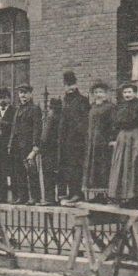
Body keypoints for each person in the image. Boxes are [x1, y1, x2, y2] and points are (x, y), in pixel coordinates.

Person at [107, 82, 138, 207]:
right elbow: (114, 123)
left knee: (132, 164)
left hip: (133, 136)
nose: (127, 95)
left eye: (129, 92)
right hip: (122, 137)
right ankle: (119, 195)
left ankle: (133, 197)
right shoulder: (120, 106)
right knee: (120, 165)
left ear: (135, 93)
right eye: (125, 92)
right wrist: (114, 138)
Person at [57, 71, 90, 202]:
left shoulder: (82, 100)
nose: (69, 88)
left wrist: (79, 136)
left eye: (71, 85)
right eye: (67, 85)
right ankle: (71, 193)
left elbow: (84, 122)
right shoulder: (65, 101)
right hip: (65, 141)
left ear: (76, 85)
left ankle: (78, 193)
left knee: (76, 167)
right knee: (67, 167)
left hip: (77, 141)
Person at [8, 84, 43, 204]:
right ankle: (23, 196)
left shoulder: (34, 109)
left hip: (27, 145)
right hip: (17, 145)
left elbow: (37, 128)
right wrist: (10, 144)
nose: (22, 95)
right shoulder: (18, 109)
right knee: (19, 172)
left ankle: (35, 197)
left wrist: (35, 146)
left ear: (31, 94)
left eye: (25, 92)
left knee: (31, 171)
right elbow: (14, 128)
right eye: (20, 93)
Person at [83, 81, 115, 201]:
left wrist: (111, 139)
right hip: (92, 143)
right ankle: (97, 194)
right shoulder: (92, 107)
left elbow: (113, 125)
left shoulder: (110, 107)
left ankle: (105, 194)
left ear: (106, 94)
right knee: (93, 168)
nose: (98, 95)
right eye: (96, 92)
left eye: (101, 92)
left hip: (103, 143)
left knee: (103, 167)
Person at [40, 97, 62, 204]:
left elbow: (45, 135)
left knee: (48, 174)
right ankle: (61, 197)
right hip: (59, 149)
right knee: (59, 175)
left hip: (48, 150)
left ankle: (49, 198)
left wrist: (40, 146)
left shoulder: (50, 116)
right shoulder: (62, 116)